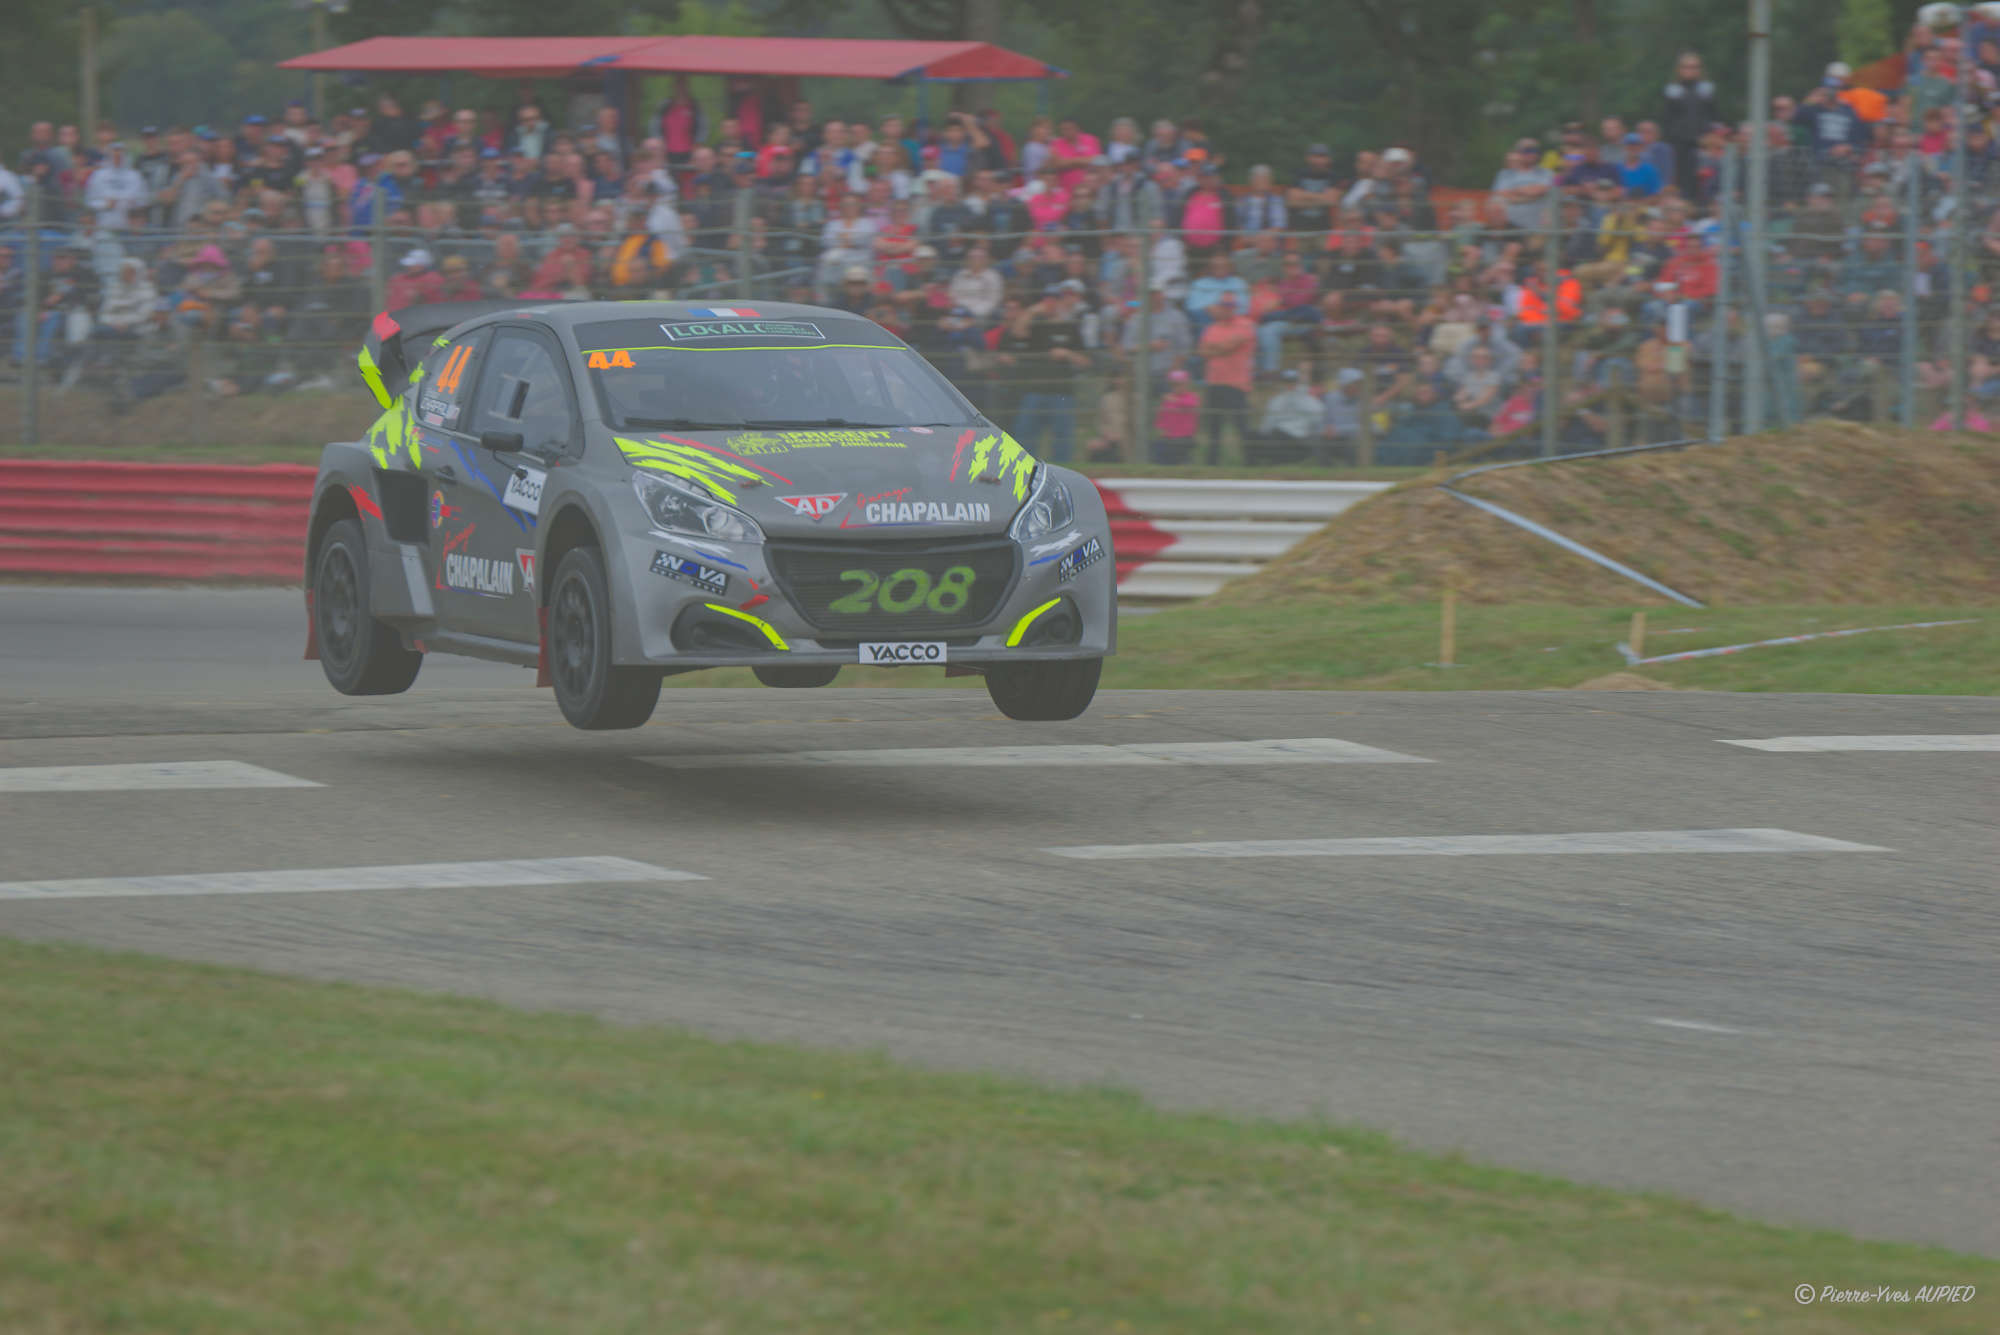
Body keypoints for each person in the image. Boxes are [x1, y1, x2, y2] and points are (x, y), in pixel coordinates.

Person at [1014, 282, 1091, 462]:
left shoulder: (1071, 327)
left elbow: (1086, 361)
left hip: (1061, 393)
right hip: (1034, 391)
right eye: (1047, 299)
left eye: (1055, 299)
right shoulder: (1036, 325)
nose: (1050, 303)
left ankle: (1062, 473)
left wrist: (1067, 354)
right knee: (1025, 438)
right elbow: (1018, 332)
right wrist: (1032, 311)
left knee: (1062, 441)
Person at [1196, 290, 1255, 464]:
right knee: (1214, 428)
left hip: (1237, 384)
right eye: (1224, 305)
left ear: (1235, 307)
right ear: (1220, 307)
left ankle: (1249, 464)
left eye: (1230, 306)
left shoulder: (1245, 324)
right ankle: (1211, 465)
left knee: (1241, 427)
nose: (1227, 309)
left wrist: (1214, 349)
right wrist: (1221, 348)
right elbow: (1202, 351)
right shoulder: (1212, 328)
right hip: (1215, 383)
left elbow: (1229, 347)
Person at [1661, 51, 1718, 199]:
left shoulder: (1707, 90)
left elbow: (1713, 116)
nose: (1690, 70)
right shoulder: (1672, 91)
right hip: (1680, 147)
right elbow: (1668, 121)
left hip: (1704, 146)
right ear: (1679, 70)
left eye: (1694, 67)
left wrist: (1709, 137)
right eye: (1686, 67)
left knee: (1705, 183)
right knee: (1682, 185)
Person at [1248, 368, 1325, 464]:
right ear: (1283, 383)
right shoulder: (1276, 400)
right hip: (1278, 437)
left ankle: (1277, 460)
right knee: (1251, 435)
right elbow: (1268, 423)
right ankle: (1253, 465)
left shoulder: (1308, 400)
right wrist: (1263, 435)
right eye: (1287, 382)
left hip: (1299, 441)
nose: (1290, 385)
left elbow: (1318, 418)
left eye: (1293, 382)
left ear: (1297, 383)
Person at [1152, 367, 1202, 464]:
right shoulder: (1168, 399)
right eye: (1174, 385)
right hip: (1168, 436)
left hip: (1185, 437)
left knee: (1178, 456)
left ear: (1187, 384)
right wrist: (1160, 428)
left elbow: (1191, 405)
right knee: (1158, 451)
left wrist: (1175, 400)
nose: (1177, 387)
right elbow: (1162, 416)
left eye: (1180, 384)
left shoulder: (1191, 397)